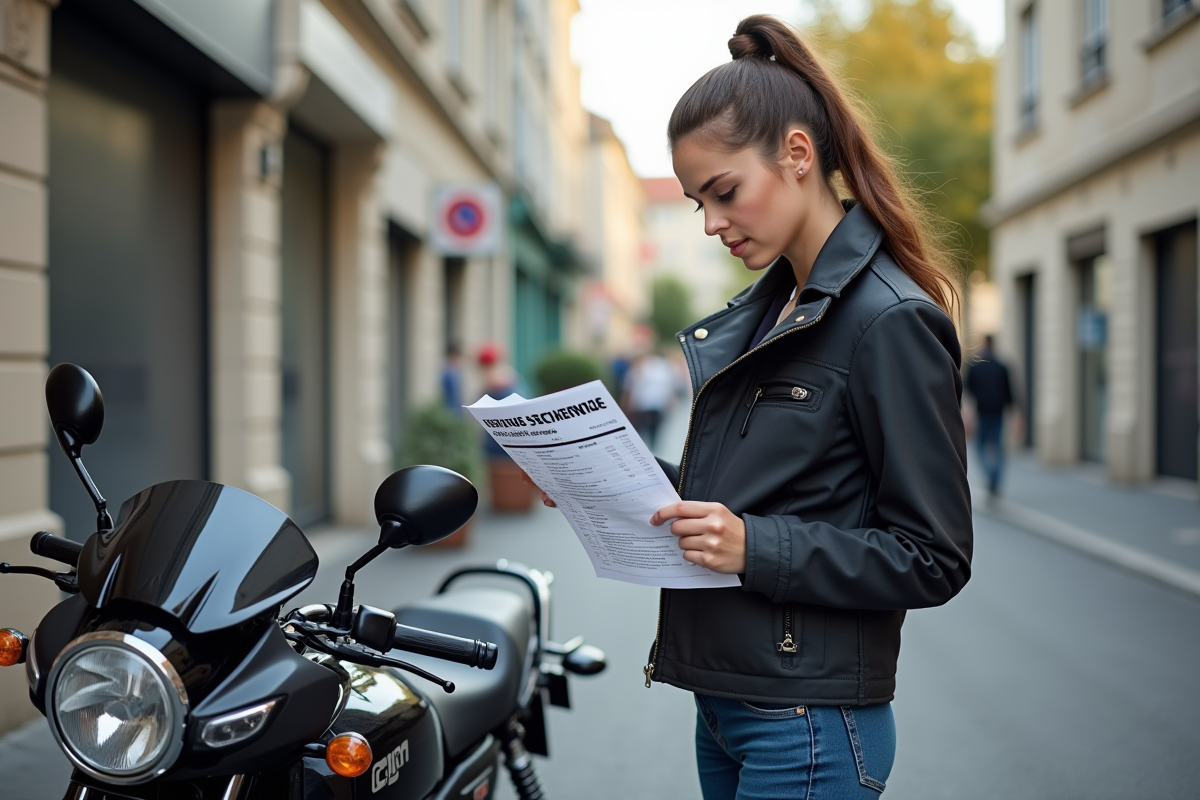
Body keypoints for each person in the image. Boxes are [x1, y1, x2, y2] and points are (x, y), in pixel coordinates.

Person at [537, 16, 971, 798]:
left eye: (724, 192)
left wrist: (753, 548)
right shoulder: (769, 312)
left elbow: (933, 556)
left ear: (798, 155)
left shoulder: (887, 319)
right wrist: (597, 475)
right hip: (728, 703)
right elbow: (751, 498)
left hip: (808, 720)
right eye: (696, 201)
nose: (710, 223)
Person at [965, 334, 1014, 499]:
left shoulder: (975, 367)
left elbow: (967, 392)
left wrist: (967, 415)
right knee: (998, 448)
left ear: (984, 344)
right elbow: (1010, 393)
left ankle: (990, 474)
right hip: (998, 413)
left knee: (980, 447)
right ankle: (995, 476)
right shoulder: (1002, 366)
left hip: (982, 412)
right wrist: (1016, 415)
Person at [621, 350, 678, 450]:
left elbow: (667, 386)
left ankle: (652, 449)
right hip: (640, 405)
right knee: (640, 428)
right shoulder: (636, 369)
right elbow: (629, 387)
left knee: (653, 428)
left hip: (654, 404)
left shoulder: (660, 368)